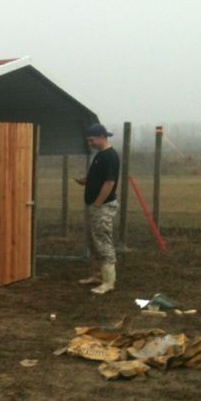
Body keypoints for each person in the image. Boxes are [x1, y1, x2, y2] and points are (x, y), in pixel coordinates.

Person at [75, 123, 120, 294]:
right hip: (94, 206)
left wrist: (98, 204)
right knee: (93, 241)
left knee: (102, 242)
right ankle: (97, 275)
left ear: (102, 136)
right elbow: (100, 177)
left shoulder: (110, 156)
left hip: (102, 207)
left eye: (91, 140)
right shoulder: (100, 155)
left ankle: (108, 282)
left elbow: (109, 182)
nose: (90, 144)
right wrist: (87, 180)